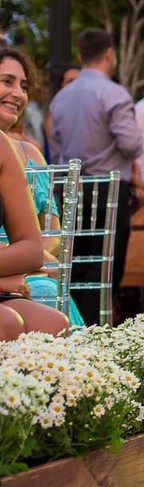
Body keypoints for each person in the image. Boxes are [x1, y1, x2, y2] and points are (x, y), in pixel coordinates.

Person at [48, 28, 143, 325]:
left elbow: (56, 144)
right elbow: (131, 143)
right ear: (109, 55)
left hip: (70, 190)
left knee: (74, 268)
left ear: (80, 55)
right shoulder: (114, 94)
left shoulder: (61, 98)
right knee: (106, 270)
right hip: (107, 190)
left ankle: (73, 328)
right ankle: (97, 333)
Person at [0, 48, 83, 327]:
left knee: (52, 312)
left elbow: (47, 233)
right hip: (10, 267)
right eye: (7, 81)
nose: (18, 94)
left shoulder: (22, 152)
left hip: (20, 264)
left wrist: (30, 262)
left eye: (23, 86)